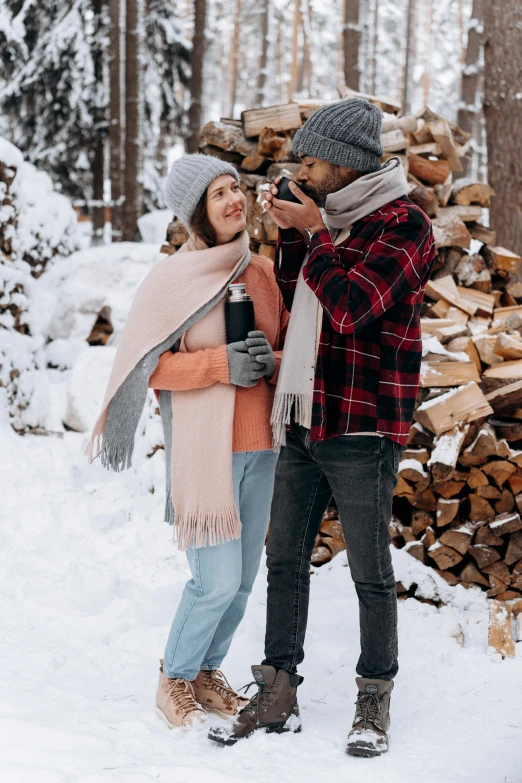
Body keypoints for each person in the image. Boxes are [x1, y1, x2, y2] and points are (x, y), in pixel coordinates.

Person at [209, 98, 436, 755]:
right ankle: (278, 691)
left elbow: (350, 306)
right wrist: (292, 233)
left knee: (368, 569)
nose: (303, 172)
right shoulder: (326, 218)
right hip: (305, 411)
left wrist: (317, 235)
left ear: (342, 163)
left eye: (310, 160)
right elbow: (296, 293)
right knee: (284, 559)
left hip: (365, 419)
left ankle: (373, 702)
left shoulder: (406, 224)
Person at [87, 154, 288, 730]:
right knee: (215, 581)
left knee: (244, 582)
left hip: (261, 445)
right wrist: (220, 365)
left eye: (235, 188)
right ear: (195, 211)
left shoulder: (263, 273)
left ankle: (206, 671)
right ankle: (173, 676)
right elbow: (150, 370)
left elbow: (280, 352)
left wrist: (265, 361)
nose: (234, 201)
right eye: (218, 194)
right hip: (207, 453)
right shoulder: (173, 280)